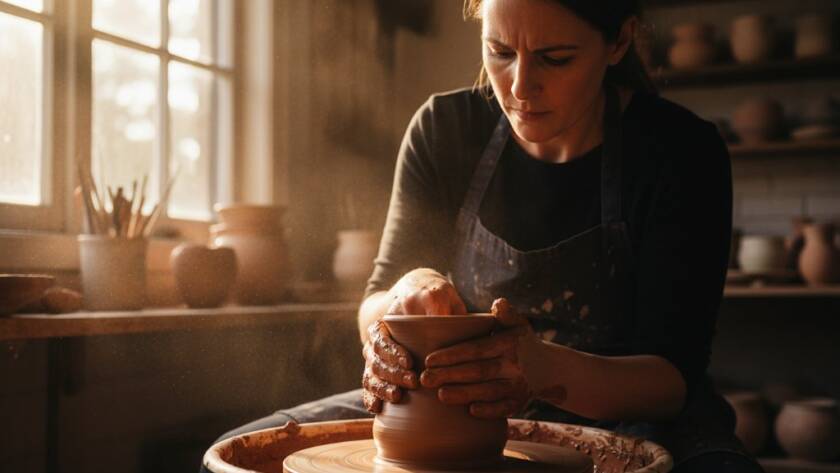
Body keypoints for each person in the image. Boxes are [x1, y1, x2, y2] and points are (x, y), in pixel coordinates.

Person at [203, 1, 765, 472]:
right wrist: (403, 295)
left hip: (627, 411)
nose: (520, 86)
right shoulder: (446, 129)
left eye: (555, 58)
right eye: (500, 52)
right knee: (235, 457)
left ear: (617, 42)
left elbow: (670, 380)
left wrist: (538, 368)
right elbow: (374, 300)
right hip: (452, 407)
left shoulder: (678, 152)